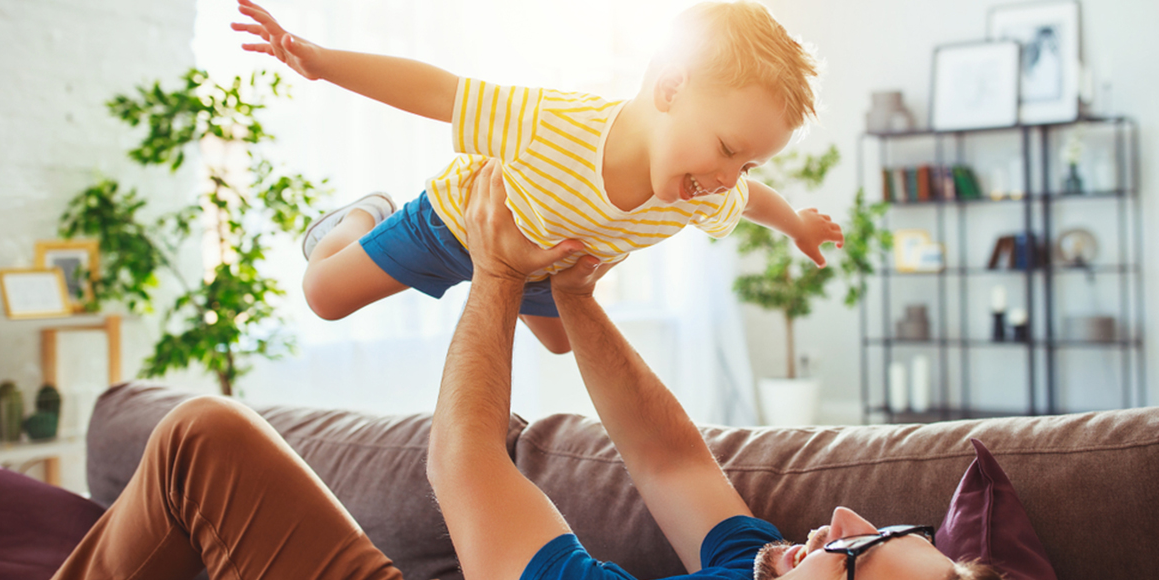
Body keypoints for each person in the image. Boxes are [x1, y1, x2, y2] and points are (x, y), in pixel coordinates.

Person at [0, 163, 1016, 580]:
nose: (841, 523)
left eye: (860, 554)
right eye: (883, 528)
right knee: (200, 433)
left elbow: (464, 462)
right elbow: (664, 453)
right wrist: (571, 292)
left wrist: (491, 273)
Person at [231, 0, 844, 354]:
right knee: (323, 297)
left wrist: (796, 226)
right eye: (728, 149)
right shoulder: (551, 122)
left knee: (562, 343)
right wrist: (320, 62)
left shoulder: (702, 193)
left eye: (747, 163)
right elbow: (439, 91)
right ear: (670, 87)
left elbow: (750, 201)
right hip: (452, 228)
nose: (727, 177)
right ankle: (364, 214)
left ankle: (515, 281)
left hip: (542, 265)